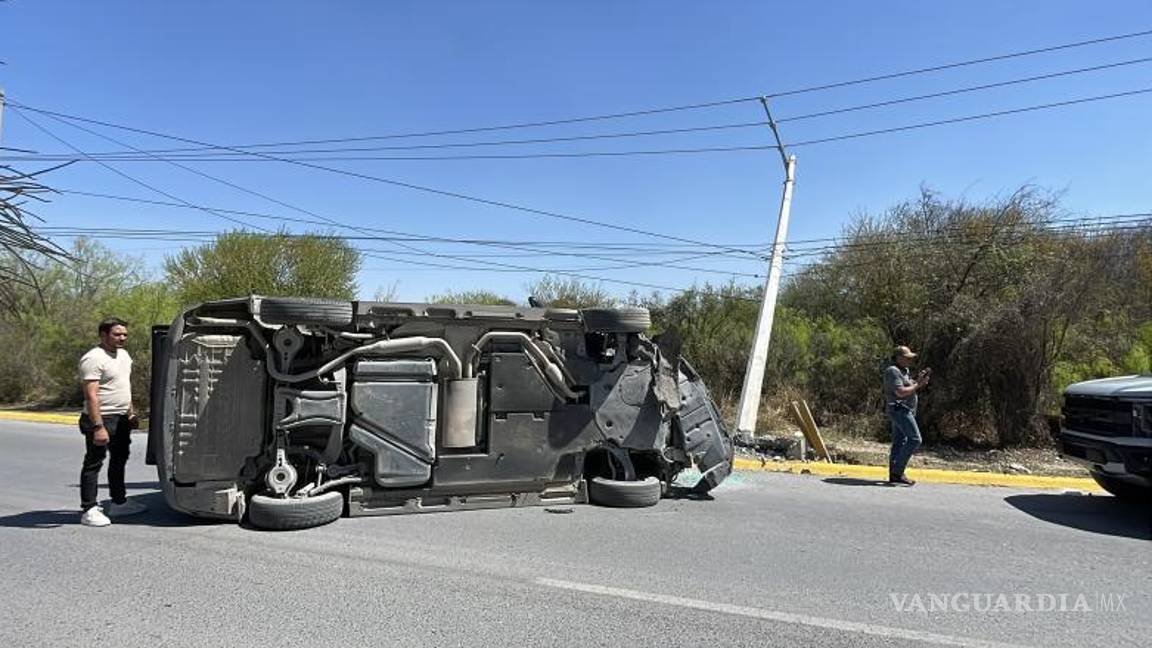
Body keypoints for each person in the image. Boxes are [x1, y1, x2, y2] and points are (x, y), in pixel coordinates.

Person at [78, 318, 146, 527]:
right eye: (117, 334)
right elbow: (91, 396)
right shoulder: (93, 358)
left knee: (119, 459)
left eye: (124, 334)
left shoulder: (124, 355)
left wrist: (130, 413)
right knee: (94, 462)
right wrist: (98, 427)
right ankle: (89, 509)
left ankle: (119, 502)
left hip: (121, 417)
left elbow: (124, 386)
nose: (122, 338)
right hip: (101, 418)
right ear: (103, 335)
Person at [883, 345, 930, 486]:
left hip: (905, 410)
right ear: (898, 358)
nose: (910, 360)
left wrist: (918, 381)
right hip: (899, 410)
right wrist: (917, 385)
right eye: (907, 358)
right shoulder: (892, 371)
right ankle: (898, 471)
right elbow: (900, 392)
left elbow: (908, 387)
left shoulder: (905, 371)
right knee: (915, 439)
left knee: (899, 442)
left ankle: (894, 475)